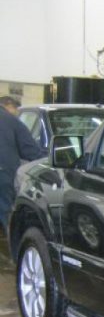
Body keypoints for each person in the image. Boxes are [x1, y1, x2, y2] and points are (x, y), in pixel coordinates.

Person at [0, 96, 46, 234]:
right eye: (16, 110)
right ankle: (13, 250)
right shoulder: (9, 120)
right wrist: (51, 158)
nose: (17, 113)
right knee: (7, 213)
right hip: (3, 174)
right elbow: (30, 151)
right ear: (9, 106)